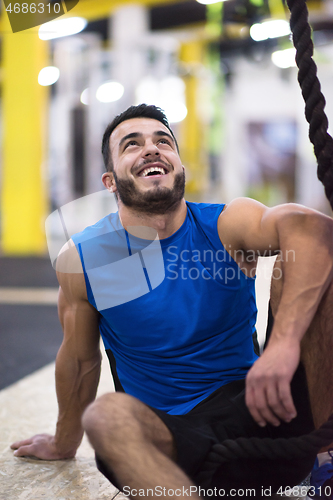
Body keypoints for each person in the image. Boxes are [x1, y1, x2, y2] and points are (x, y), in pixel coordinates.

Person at [11, 104, 333, 499]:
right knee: (106, 417)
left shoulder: (224, 225)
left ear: (181, 169)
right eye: (132, 144)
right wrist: (64, 441)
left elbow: (313, 229)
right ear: (110, 181)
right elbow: (80, 359)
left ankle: (325, 459)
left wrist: (283, 344)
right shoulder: (85, 258)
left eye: (163, 141)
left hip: (265, 418)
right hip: (169, 450)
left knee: (316, 272)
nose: (151, 149)